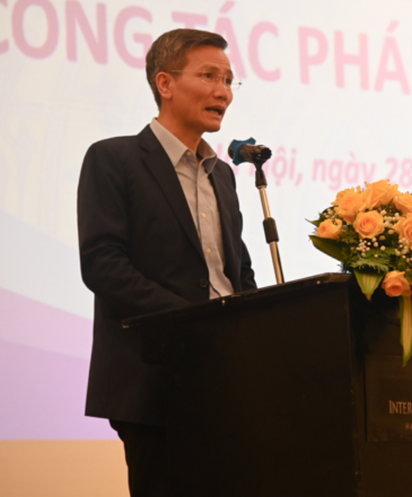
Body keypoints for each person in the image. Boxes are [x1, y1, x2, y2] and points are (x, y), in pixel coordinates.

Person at [77, 29, 257, 496]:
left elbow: (239, 275)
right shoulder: (113, 159)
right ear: (165, 83)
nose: (223, 91)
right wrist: (192, 322)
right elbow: (102, 264)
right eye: (209, 76)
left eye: (229, 80)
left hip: (227, 377)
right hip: (154, 377)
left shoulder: (224, 177)